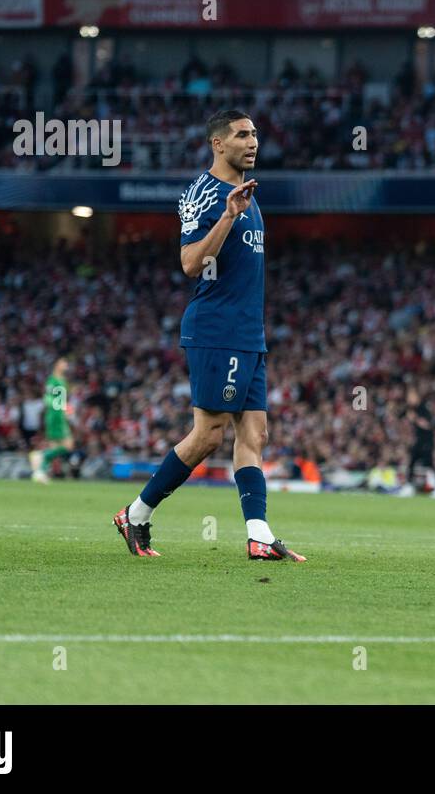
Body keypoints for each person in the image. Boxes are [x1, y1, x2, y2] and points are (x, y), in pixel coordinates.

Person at [111, 109, 305, 562]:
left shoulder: (250, 194)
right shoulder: (204, 194)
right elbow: (189, 263)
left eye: (255, 133)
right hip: (216, 328)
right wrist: (227, 216)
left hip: (248, 332)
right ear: (218, 143)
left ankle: (259, 534)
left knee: (255, 433)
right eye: (242, 134)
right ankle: (135, 514)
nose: (253, 141)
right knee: (209, 434)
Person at [31, 358, 74, 482]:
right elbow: (47, 397)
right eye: (63, 362)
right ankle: (42, 458)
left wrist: (65, 408)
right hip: (55, 416)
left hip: (60, 414)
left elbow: (61, 399)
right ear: (56, 365)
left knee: (55, 446)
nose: (66, 364)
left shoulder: (63, 380)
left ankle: (41, 471)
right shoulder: (52, 380)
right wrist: (59, 408)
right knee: (68, 445)